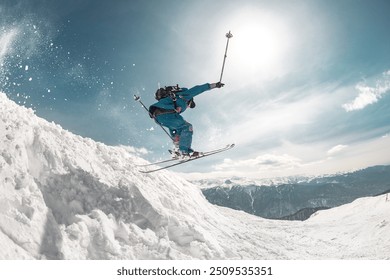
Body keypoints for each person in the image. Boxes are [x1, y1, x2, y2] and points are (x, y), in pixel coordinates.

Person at [149, 82, 224, 158]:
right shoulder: (185, 95)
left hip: (158, 117)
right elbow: (198, 89)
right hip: (165, 113)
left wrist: (175, 136)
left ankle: (177, 151)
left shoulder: (171, 99)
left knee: (180, 129)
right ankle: (184, 152)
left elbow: (172, 126)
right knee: (187, 127)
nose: (188, 107)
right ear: (190, 101)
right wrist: (214, 85)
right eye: (189, 105)